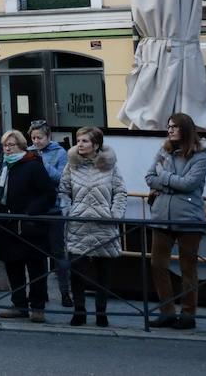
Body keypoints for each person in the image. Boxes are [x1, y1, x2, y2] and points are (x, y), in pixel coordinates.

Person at [145, 112, 206, 330]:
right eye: (168, 126)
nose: (170, 130)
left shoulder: (200, 155)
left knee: (187, 268)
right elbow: (149, 177)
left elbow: (189, 184)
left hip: (189, 218)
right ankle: (167, 312)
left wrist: (164, 178)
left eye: (174, 126)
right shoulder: (164, 150)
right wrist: (171, 182)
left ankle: (188, 314)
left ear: (186, 129)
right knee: (157, 265)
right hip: (162, 216)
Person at [59, 126, 126, 327]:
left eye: (85, 141)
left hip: (103, 224)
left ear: (96, 144)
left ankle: (101, 312)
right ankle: (79, 311)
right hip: (78, 224)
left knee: (103, 272)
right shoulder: (71, 166)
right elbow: (63, 190)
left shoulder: (110, 166)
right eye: (78, 140)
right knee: (77, 271)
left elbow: (121, 192)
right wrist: (68, 211)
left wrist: (114, 214)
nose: (79, 143)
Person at [0, 129, 55, 322]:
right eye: (5, 145)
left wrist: (29, 212)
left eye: (11, 145)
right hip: (5, 224)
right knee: (13, 265)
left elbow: (48, 193)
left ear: (21, 146)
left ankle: (37, 307)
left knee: (35, 267)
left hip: (29, 225)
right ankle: (18, 304)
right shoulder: (2, 164)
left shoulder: (33, 164)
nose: (7, 149)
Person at [28, 120, 72, 307]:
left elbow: (61, 178)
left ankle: (65, 293)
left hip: (54, 208)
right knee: (36, 253)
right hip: (35, 208)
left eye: (40, 138)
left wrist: (42, 162)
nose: (36, 141)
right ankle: (40, 294)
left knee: (57, 252)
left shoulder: (60, 153)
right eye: (33, 138)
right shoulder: (29, 152)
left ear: (48, 137)